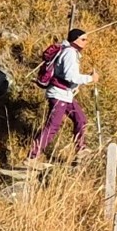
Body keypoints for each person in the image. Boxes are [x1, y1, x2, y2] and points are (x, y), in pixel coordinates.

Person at [28, 28, 96, 161]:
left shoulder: (68, 51)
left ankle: (81, 149)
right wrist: (90, 78)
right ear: (75, 40)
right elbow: (70, 76)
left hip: (65, 94)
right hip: (59, 94)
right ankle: (32, 156)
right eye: (83, 39)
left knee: (80, 118)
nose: (86, 42)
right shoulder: (70, 53)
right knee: (52, 126)